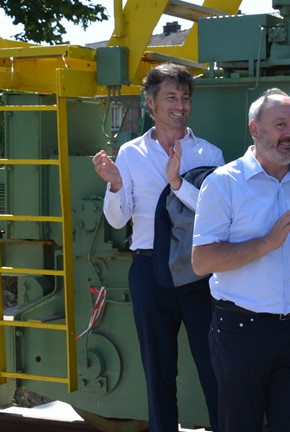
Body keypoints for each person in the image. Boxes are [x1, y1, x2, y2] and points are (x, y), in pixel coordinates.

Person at [192, 88, 290, 432]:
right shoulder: (224, 184)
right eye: (280, 124)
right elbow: (202, 261)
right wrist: (267, 242)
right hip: (240, 333)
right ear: (255, 130)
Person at [92, 63, 224, 431]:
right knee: (158, 370)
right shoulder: (131, 154)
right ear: (151, 103)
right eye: (171, 97)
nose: (180, 105)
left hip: (199, 269)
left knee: (215, 367)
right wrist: (116, 184)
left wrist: (178, 183)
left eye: (185, 98)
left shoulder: (210, 154)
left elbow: (220, 216)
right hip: (149, 271)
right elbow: (118, 221)